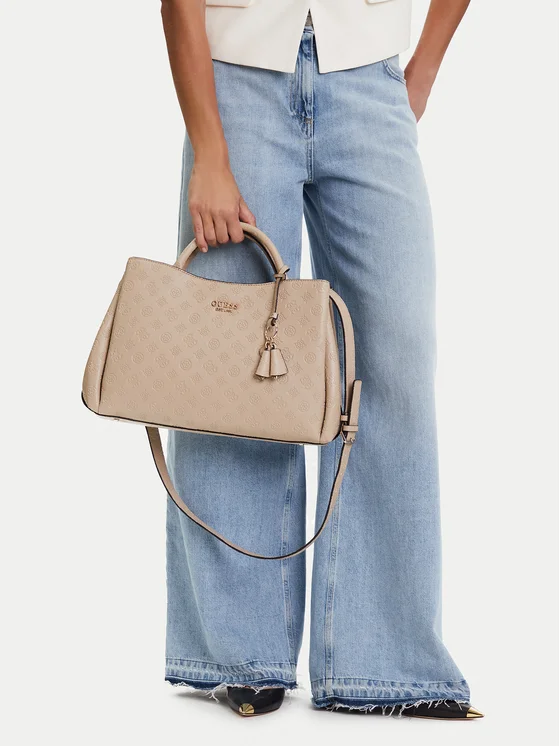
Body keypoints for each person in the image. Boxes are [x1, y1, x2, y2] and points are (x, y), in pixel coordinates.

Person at [160, 0, 483, 720]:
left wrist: (421, 73)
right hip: (235, 81)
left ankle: (382, 661)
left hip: (370, 81)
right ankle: (239, 654)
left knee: (392, 355)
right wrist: (208, 148)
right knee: (236, 366)